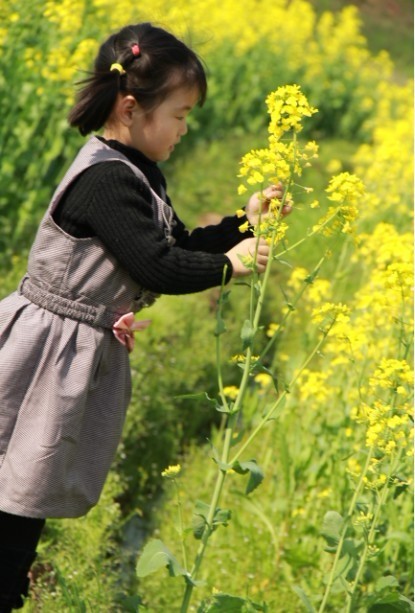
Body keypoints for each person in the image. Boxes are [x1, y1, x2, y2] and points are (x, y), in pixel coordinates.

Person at [0, 22, 289, 611]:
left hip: (67, 353)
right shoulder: (105, 179)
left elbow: (177, 241)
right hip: (42, 356)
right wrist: (229, 269)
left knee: (21, 499)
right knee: (11, 503)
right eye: (180, 115)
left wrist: (246, 221)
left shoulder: (135, 169)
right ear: (132, 108)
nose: (185, 129)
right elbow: (157, 265)